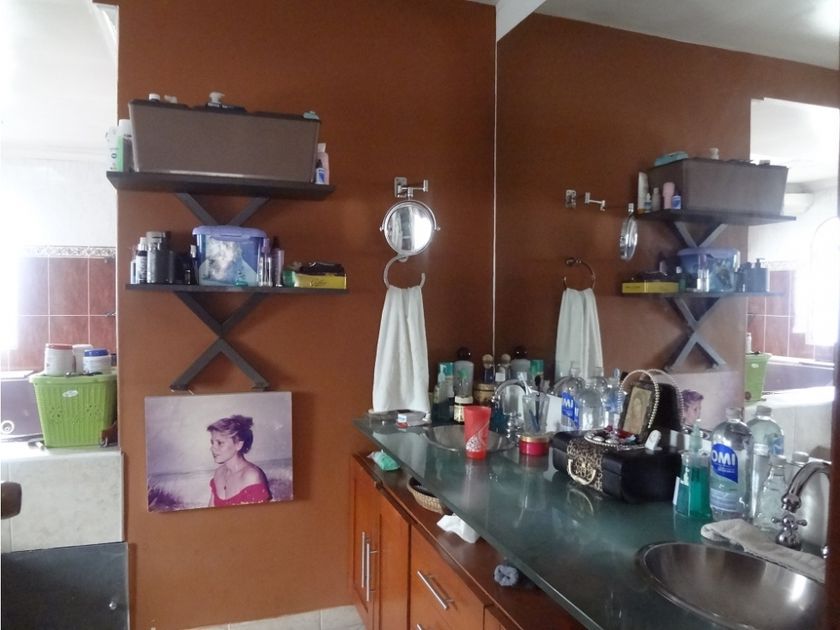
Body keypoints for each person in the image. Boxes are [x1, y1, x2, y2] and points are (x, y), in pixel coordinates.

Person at [207, 415, 271, 507]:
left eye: (220, 443)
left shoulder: (251, 476)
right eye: (212, 442)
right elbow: (211, 511)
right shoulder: (218, 473)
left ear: (238, 445)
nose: (212, 448)